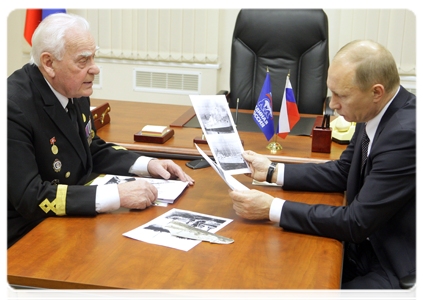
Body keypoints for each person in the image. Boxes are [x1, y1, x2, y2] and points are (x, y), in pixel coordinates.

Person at [229, 40, 419, 300]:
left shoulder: (406, 135)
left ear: (377, 92)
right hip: (363, 245)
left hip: (395, 265)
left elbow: (355, 222)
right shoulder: (373, 111)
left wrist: (272, 208)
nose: (333, 104)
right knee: (280, 275)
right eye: (332, 93)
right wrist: (272, 170)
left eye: (342, 95)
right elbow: (344, 170)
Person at [5, 13, 194, 250]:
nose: (95, 69)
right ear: (49, 63)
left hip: (73, 211)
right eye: (83, 61)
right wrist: (117, 196)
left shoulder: (73, 88)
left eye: (94, 57)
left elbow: (89, 148)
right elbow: (30, 198)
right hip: (28, 230)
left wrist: (147, 164)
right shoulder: (12, 107)